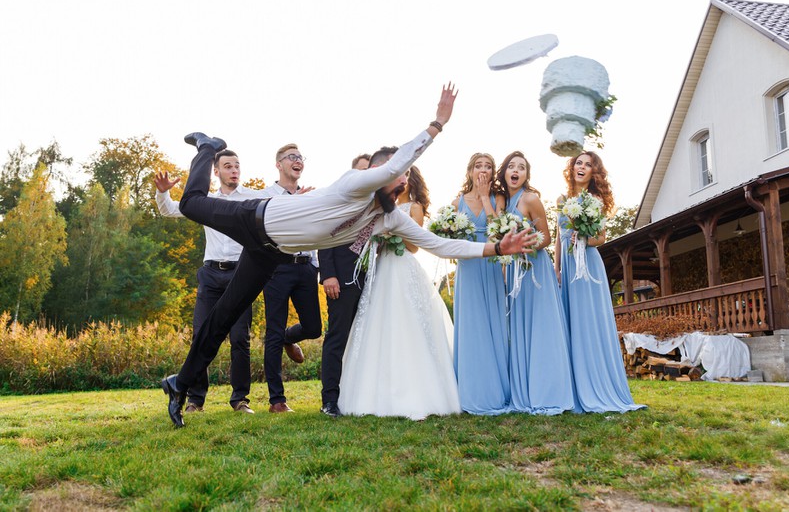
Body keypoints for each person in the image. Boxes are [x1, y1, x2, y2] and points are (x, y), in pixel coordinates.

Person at [160, 83, 537, 427]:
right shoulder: (356, 184)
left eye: (407, 178)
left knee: (224, 315)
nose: (405, 181)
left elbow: (439, 243)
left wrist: (496, 247)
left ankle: (181, 383)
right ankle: (208, 146)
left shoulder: (387, 218)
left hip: (270, 252)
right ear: (380, 172)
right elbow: (395, 162)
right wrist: (437, 123)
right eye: (400, 176)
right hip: (256, 219)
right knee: (193, 203)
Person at [339, 166, 460, 420]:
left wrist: (392, 233)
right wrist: (378, 238)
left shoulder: (414, 208)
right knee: (378, 322)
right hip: (382, 267)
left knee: (408, 321)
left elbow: (414, 247)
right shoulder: (381, 207)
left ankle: (419, 391)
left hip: (403, 265)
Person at [154, 149, 263, 415]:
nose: (234, 170)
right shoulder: (206, 201)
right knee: (200, 335)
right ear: (216, 172)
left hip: (241, 274)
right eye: (228, 166)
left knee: (239, 339)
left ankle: (240, 400)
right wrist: (163, 192)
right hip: (211, 275)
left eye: (237, 165)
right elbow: (169, 210)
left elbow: (278, 209)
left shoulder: (252, 197)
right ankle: (195, 400)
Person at [555, 151, 646, 413]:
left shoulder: (594, 200)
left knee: (587, 322)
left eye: (588, 164)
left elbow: (601, 238)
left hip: (588, 265)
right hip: (568, 266)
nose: (581, 167)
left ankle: (594, 383)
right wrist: (557, 268)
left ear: (594, 172)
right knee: (569, 321)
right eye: (578, 163)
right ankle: (571, 386)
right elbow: (559, 238)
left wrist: (582, 239)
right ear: (572, 168)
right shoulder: (562, 199)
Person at [496, 151, 574, 415]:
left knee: (540, 327)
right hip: (514, 271)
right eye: (511, 166)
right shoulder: (502, 203)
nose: (516, 171)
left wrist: (524, 246)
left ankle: (547, 391)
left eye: (521, 167)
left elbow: (545, 237)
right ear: (504, 172)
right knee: (520, 329)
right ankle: (524, 391)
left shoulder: (531, 199)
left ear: (527, 175)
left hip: (535, 270)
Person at [260, 143, 322, 414]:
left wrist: (318, 268)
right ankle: (277, 400)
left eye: (300, 157)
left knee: (314, 328)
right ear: (279, 164)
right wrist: (296, 203)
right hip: (277, 267)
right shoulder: (267, 196)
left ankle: (288, 337)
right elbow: (271, 224)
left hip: (305, 267)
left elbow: (317, 231)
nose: (298, 161)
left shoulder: (310, 196)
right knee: (272, 332)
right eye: (292, 157)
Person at [450, 152, 510, 415]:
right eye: (478, 166)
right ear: (470, 171)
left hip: (490, 267)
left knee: (492, 323)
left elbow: (500, 231)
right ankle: (470, 388)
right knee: (471, 324)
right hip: (468, 269)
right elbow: (447, 237)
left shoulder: (498, 199)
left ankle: (496, 389)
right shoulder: (457, 201)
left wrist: (486, 198)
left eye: (488, 166)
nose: (482, 170)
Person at [317, 154, 370, 418]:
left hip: (373, 280)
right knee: (337, 338)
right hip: (341, 279)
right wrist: (328, 275)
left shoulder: (379, 204)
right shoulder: (340, 201)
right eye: (361, 171)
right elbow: (325, 235)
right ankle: (329, 400)